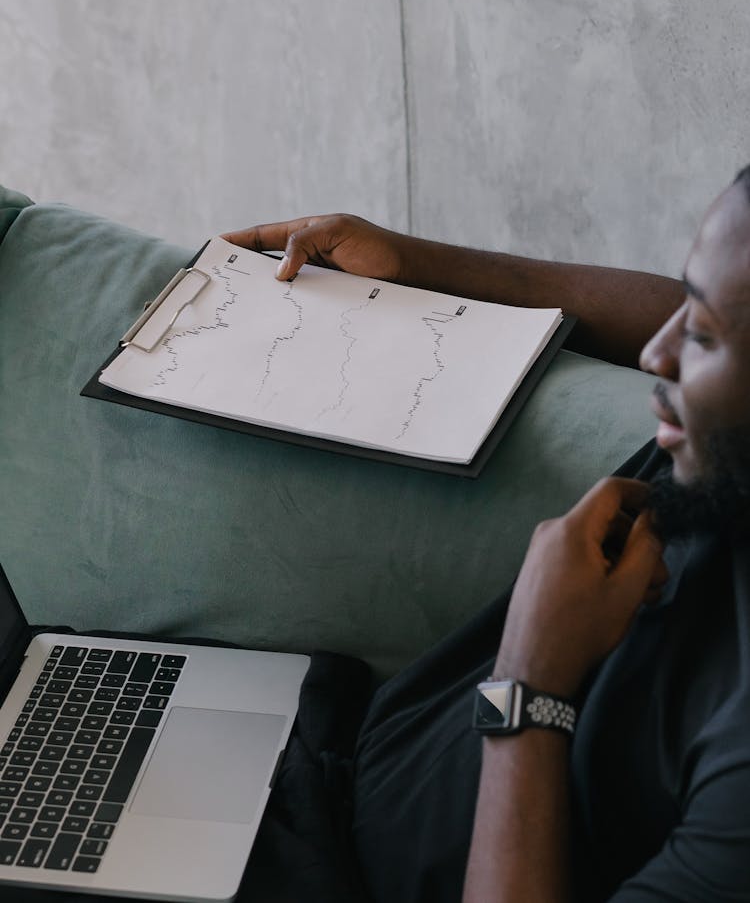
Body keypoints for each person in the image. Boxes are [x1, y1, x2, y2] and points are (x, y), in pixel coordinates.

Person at [220, 169, 750, 902]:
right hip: (324, 760)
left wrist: (531, 680)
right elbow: (685, 307)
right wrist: (415, 265)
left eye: (700, 335)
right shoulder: (719, 436)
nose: (657, 356)